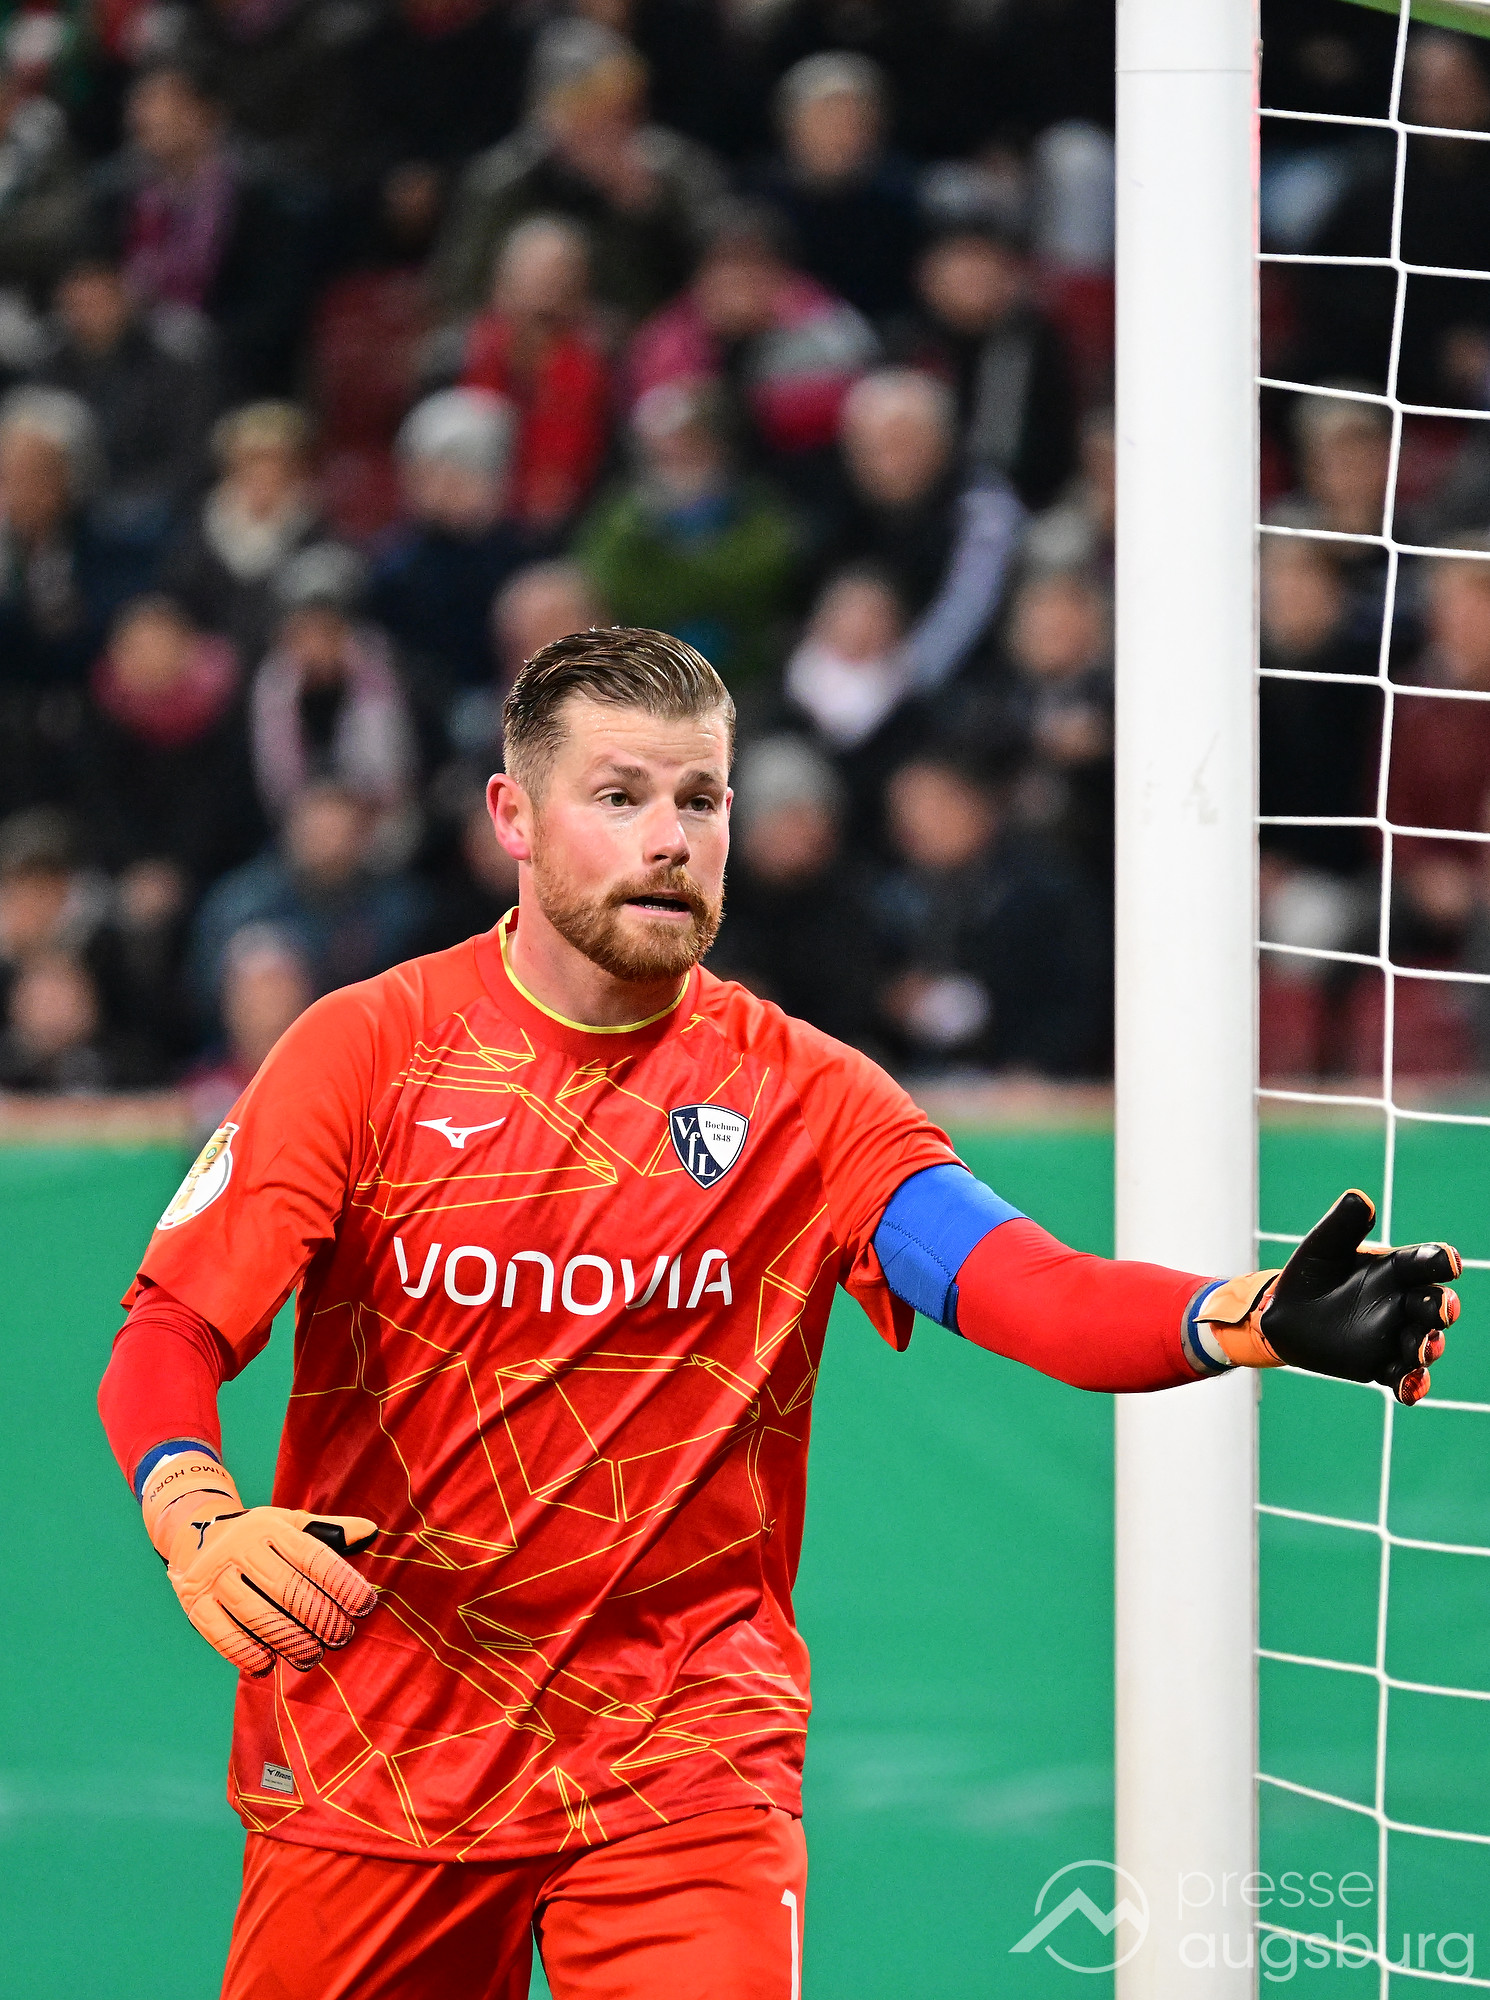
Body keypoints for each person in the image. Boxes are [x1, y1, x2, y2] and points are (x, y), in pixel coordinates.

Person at [97, 627, 1463, 1999]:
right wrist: (193, 1514)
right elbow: (169, 1329)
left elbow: (1027, 1291)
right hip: (376, 1749)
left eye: (700, 799)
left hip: (680, 1767)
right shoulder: (365, 1052)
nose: (670, 838)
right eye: (619, 795)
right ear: (511, 816)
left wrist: (1250, 1317)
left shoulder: (804, 1099)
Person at [433, 18, 726, 325]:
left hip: (649, 348)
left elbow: (721, 271)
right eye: (585, 109)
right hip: (531, 346)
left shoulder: (672, 168)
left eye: (618, 109)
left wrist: (647, 210)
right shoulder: (504, 182)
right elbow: (458, 291)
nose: (604, 126)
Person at [576, 379, 799, 688]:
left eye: (689, 445)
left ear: (716, 446)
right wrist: (704, 579)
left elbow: (760, 576)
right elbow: (609, 581)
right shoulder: (625, 514)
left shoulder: (755, 506)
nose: (676, 458)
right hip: (648, 674)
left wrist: (667, 575)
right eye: (662, 452)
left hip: (748, 670)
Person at [37, 255, 219, 551]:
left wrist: (137, 496)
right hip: (71, 507)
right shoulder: (49, 369)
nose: (91, 313)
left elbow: (193, 454)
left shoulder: (170, 368)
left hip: (153, 505)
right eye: (80, 303)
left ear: (124, 300)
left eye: (100, 300)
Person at [368, 386, 533, 691]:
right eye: (435, 473)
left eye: (465, 472)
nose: (448, 486)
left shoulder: (522, 557)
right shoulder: (395, 567)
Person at [459, 215, 612, 535]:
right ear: (503, 280)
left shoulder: (601, 364)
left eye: (559, 273)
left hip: (573, 524)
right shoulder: (461, 356)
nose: (547, 284)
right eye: (535, 272)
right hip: (475, 523)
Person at [750, 53, 920, 325]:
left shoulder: (904, 197)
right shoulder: (761, 196)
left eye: (854, 119)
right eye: (826, 117)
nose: (841, 130)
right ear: (791, 125)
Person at [162, 400, 325, 668]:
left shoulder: (317, 532)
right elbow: (179, 603)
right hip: (208, 669)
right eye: (251, 459)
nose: (263, 471)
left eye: (274, 459)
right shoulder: (199, 531)